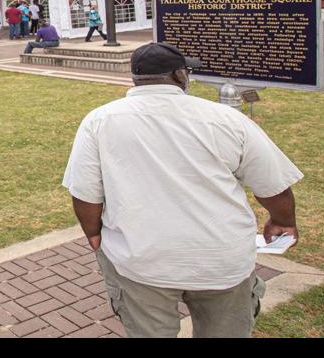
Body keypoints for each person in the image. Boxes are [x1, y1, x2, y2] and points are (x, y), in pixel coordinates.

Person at [62, 42, 303, 338]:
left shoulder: (99, 120)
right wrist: (282, 220)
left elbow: (85, 193)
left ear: (136, 78)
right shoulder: (226, 119)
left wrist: (93, 233)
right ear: (179, 75)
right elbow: (272, 184)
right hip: (222, 260)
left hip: (139, 259)